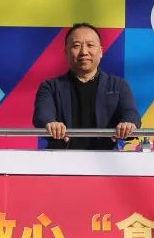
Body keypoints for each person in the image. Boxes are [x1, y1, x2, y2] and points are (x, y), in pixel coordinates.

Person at [33, 22, 140, 150]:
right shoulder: (50, 87)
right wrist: (51, 124)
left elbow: (131, 114)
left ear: (100, 52)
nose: (84, 52)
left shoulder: (119, 86)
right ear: (66, 52)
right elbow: (42, 117)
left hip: (106, 160)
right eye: (76, 46)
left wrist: (128, 125)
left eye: (90, 45)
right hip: (61, 159)